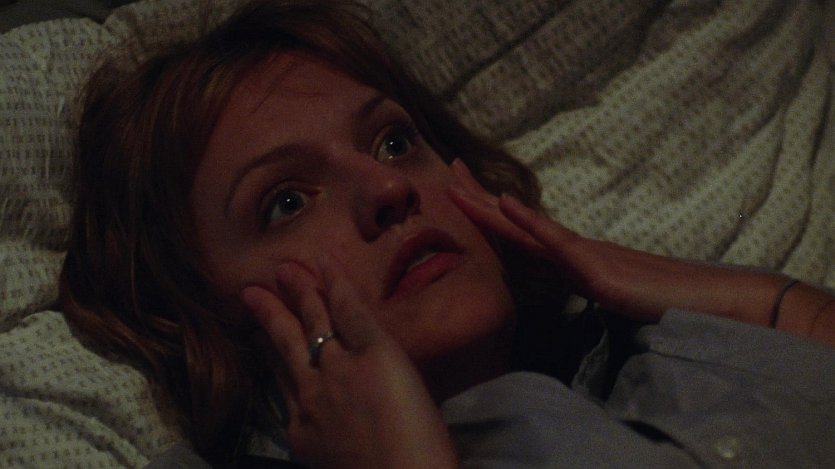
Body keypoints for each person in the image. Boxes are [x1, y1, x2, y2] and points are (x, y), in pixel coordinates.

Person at [59, 0, 835, 467]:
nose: (388, 188)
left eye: (394, 141)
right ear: (200, 311)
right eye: (286, 201)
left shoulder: (644, 354)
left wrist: (708, 289)